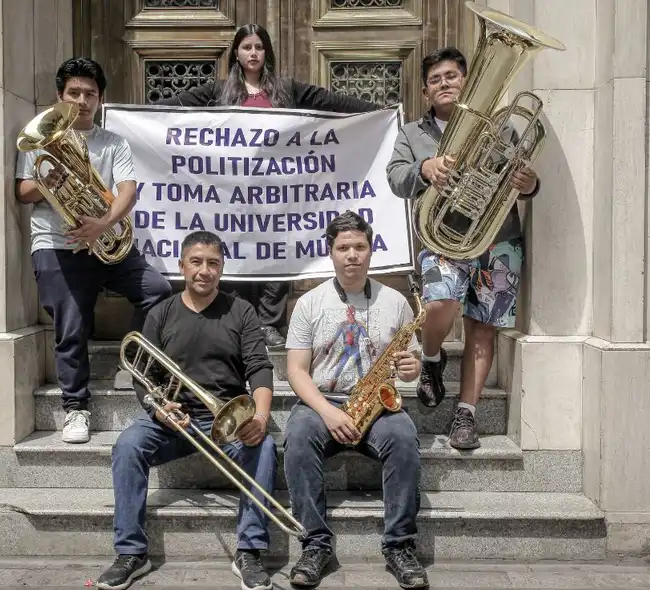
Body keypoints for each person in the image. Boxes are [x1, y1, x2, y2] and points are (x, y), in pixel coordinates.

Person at [154, 23, 381, 350]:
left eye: (259, 47)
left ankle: (271, 323)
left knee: (278, 256)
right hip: (232, 197)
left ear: (267, 52)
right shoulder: (218, 92)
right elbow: (174, 106)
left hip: (279, 194)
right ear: (236, 52)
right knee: (238, 255)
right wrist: (129, 119)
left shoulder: (285, 89)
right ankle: (242, 322)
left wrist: (377, 114)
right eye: (247, 47)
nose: (253, 53)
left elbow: (328, 100)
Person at [96, 230, 278, 590]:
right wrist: (158, 408)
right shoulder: (161, 312)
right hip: (172, 421)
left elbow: (259, 367)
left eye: (213, 263)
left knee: (266, 447)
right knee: (128, 445)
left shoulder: (240, 311)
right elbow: (142, 374)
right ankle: (131, 552)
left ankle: (249, 550)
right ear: (181, 266)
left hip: (225, 419)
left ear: (222, 268)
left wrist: (259, 416)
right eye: (196, 262)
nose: (204, 270)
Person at [386, 47, 541, 450]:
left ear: (466, 80)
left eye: (451, 76)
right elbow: (395, 177)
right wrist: (423, 168)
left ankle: (466, 415)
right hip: (443, 238)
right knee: (439, 304)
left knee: (482, 329)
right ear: (425, 91)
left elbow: (520, 175)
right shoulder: (412, 134)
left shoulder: (501, 127)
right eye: (436, 79)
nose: (444, 84)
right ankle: (432, 357)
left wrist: (530, 185)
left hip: (498, 239)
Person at [15, 57, 172, 444]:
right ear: (60, 96)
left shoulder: (113, 142)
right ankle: (76, 409)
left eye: (90, 94)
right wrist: (48, 179)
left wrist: (102, 224)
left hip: (105, 238)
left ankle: (133, 363)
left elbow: (128, 191)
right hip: (58, 243)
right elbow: (22, 193)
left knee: (159, 291)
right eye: (74, 93)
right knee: (71, 327)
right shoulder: (40, 139)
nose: (82, 100)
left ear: (100, 99)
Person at [282, 211, 428, 589]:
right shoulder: (309, 303)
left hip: (378, 406)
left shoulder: (395, 301)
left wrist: (412, 369)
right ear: (330, 252)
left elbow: (411, 365)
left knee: (403, 439)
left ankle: (399, 546)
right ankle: (315, 544)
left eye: (359, 247)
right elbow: (296, 371)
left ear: (371, 250)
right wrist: (328, 412)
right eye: (343, 247)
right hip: (324, 402)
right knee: (296, 437)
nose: (352, 255)